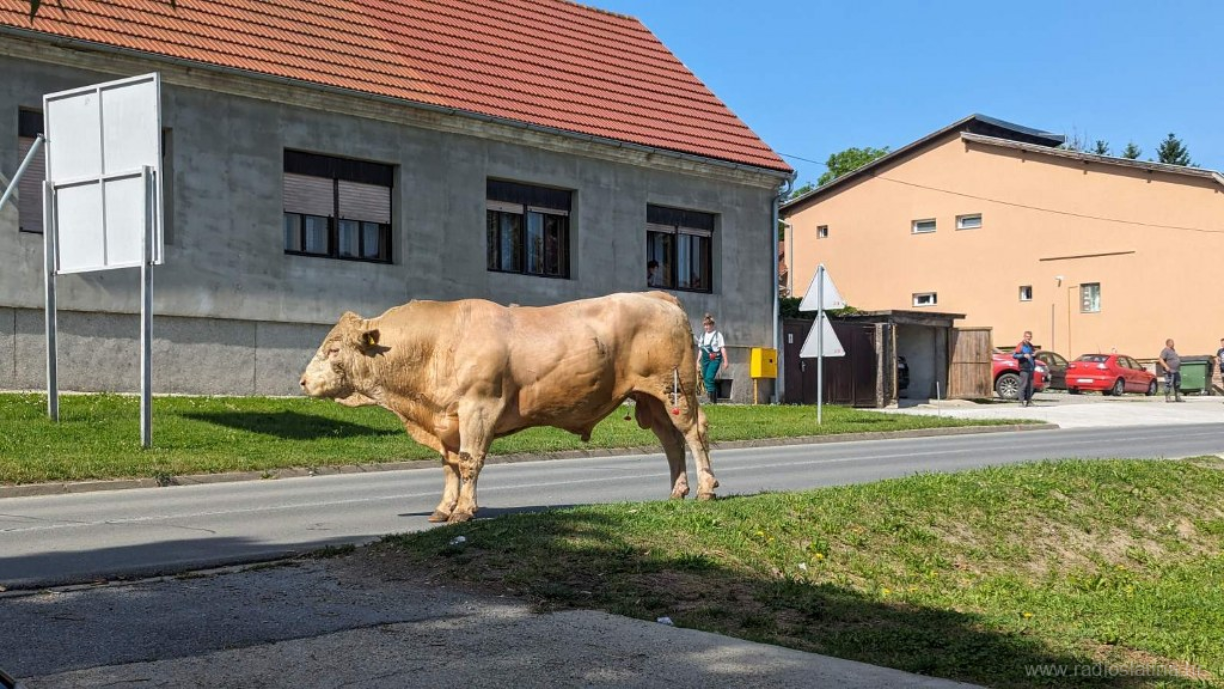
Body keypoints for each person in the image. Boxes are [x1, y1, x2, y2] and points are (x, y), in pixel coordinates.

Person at [697, 313, 727, 404]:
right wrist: (697, 361)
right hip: (705, 359)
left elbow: (722, 348)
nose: (707, 327)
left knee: (709, 378)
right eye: (705, 325)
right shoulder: (702, 336)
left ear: (712, 325)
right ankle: (709, 400)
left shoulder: (718, 335)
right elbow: (701, 350)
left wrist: (726, 361)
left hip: (715, 359)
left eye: (708, 325)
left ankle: (713, 402)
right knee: (705, 378)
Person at [1012, 330, 1037, 406]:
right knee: (1024, 384)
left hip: (1031, 368)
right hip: (1024, 367)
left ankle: (1029, 401)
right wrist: (1023, 355)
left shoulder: (1031, 346)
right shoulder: (1021, 345)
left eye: (1030, 337)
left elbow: (1033, 355)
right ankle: (1021, 401)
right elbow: (1014, 355)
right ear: (1024, 336)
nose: (1028, 338)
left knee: (1030, 386)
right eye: (1027, 336)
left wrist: (1034, 355)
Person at [1159, 338, 1183, 402]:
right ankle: (1167, 397)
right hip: (1169, 371)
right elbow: (1161, 359)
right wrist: (1166, 366)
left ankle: (1177, 397)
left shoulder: (1173, 350)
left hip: (1176, 370)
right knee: (1169, 383)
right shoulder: (1165, 350)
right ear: (1168, 343)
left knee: (1178, 383)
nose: (1173, 344)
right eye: (1172, 342)